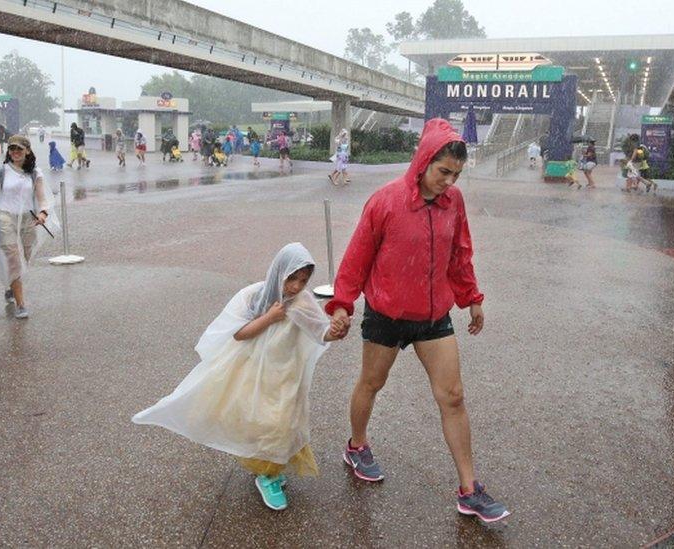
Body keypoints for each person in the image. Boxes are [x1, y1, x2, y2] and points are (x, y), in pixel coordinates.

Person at [326, 118, 510, 523]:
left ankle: (469, 489)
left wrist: (471, 299)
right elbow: (357, 259)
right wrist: (342, 303)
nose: (449, 181)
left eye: (456, 175)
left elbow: (460, 253)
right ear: (424, 161)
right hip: (387, 314)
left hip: (433, 317)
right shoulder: (385, 201)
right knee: (372, 383)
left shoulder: (454, 202)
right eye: (443, 171)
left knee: (454, 396)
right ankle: (357, 445)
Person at [133, 243, 347, 511]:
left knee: (283, 421)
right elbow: (238, 332)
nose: (295, 286)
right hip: (255, 371)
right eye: (291, 278)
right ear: (278, 271)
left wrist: (335, 332)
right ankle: (267, 475)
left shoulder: (302, 301)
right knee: (261, 420)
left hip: (286, 374)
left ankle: (271, 468)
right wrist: (269, 317)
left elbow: (319, 331)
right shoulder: (254, 296)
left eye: (302, 281)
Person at [0, 135, 60, 319]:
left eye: (19, 149)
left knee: (26, 257)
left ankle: (10, 286)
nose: (15, 152)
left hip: (29, 218)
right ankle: (21, 304)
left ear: (27, 151)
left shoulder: (35, 173)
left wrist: (43, 213)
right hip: (5, 217)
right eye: (12, 148)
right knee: (14, 259)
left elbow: (41, 197)